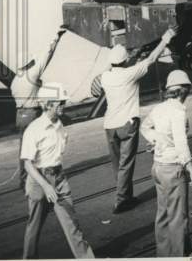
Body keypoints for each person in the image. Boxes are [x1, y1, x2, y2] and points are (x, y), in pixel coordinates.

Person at [94, 28, 176, 214]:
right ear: (125, 61)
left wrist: (130, 56)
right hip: (127, 124)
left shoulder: (106, 77)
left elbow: (116, 66)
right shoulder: (131, 73)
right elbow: (152, 58)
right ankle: (121, 201)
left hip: (109, 126)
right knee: (126, 163)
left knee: (118, 165)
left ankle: (127, 195)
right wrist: (166, 38)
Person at [20, 82, 94, 259]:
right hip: (39, 181)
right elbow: (27, 164)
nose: (63, 105)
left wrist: (55, 180)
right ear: (47, 104)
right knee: (34, 226)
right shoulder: (34, 129)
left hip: (58, 178)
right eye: (59, 102)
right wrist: (46, 186)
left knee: (72, 223)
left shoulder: (60, 125)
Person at [140, 70, 192, 258]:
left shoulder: (159, 108)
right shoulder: (178, 111)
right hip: (174, 169)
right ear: (183, 90)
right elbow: (181, 143)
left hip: (158, 167)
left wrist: (157, 140)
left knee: (164, 216)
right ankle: (180, 255)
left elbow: (145, 126)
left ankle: (164, 255)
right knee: (178, 218)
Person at [12, 30, 65, 187]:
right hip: (32, 114)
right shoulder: (32, 74)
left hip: (19, 115)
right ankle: (40, 178)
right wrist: (57, 37)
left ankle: (23, 179)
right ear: (29, 63)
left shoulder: (15, 80)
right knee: (42, 146)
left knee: (25, 149)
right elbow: (47, 56)